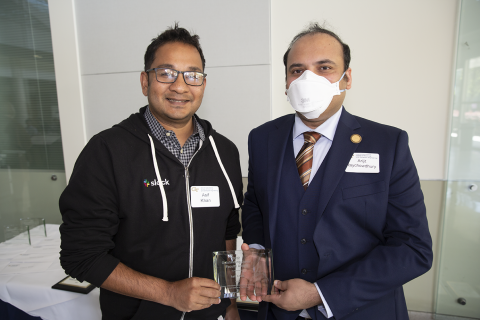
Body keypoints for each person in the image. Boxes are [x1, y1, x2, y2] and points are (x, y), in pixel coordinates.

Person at [240, 23, 433, 320]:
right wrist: (255, 249)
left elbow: (412, 248)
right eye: (297, 70)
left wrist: (321, 294)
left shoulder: (388, 144)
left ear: (347, 78)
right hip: (277, 311)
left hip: (363, 312)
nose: (308, 79)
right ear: (286, 81)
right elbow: (255, 202)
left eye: (324, 67)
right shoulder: (263, 138)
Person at [59, 24, 243, 320]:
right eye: (166, 73)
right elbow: (81, 256)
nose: (180, 86)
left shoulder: (225, 151)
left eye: (192, 75)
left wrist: (230, 303)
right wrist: (169, 293)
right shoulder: (107, 152)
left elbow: (227, 234)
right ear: (145, 82)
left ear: (203, 85)